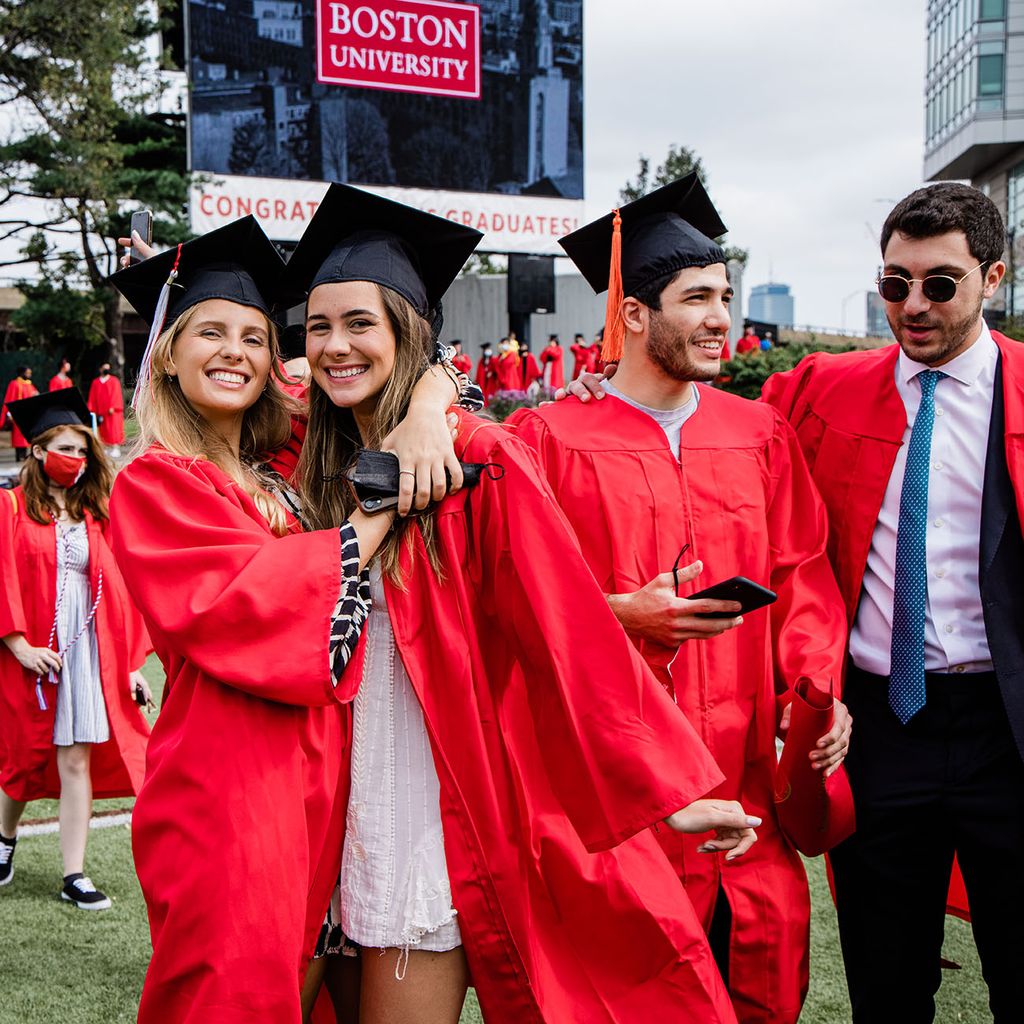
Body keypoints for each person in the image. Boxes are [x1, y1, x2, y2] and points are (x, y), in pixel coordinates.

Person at [283, 182, 762, 1024]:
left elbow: (562, 623)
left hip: (418, 802)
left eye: (362, 323)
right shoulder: (307, 464)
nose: (334, 345)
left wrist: (667, 789)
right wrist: (431, 398)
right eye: (318, 326)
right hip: (315, 806)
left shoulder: (481, 458)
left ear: (409, 333)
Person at [106, 215, 463, 1024]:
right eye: (210, 332)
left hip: (318, 790)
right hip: (228, 792)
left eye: (255, 336)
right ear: (166, 350)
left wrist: (429, 406)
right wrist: (381, 504)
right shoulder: (158, 482)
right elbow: (246, 604)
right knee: (229, 996)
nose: (234, 351)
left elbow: (401, 382)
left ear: (276, 361)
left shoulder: (283, 463)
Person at [519, 174, 851, 1024]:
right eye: (696, 296)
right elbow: (521, 597)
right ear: (632, 315)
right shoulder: (553, 439)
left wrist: (813, 691)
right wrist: (618, 613)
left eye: (727, 296)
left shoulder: (757, 433)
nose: (720, 316)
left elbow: (802, 575)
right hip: (622, 800)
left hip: (749, 800)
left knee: (764, 991)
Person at [762, 182, 1024, 1024]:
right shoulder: (817, 390)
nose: (911, 306)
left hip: (1008, 729)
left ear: (994, 277)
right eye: (893, 284)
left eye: (938, 284)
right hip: (879, 729)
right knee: (885, 982)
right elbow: (707, 438)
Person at [0, 388, 152, 907]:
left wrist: (130, 667)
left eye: (84, 451)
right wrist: (17, 645)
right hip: (32, 652)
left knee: (75, 761)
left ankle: (74, 874)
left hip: (87, 653)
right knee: (22, 762)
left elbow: (120, 589)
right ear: (39, 451)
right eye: (67, 449)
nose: (78, 460)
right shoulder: (12, 506)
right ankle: (4, 837)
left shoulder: (96, 514)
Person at [87, 363, 125, 458]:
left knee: (113, 429)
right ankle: (107, 448)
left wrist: (113, 406)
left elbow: (116, 394)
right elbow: (92, 397)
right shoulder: (96, 382)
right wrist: (91, 409)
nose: (106, 369)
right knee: (103, 430)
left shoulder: (114, 381)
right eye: (104, 367)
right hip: (100, 411)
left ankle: (115, 448)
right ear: (100, 369)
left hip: (112, 411)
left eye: (108, 368)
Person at [2, 367, 38, 461]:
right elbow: (10, 398)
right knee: (18, 436)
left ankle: (25, 455)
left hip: (27, 414)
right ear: (22, 373)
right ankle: (19, 455)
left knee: (26, 436)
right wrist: (9, 413)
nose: (29, 375)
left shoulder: (29, 385)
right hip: (17, 413)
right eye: (27, 373)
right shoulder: (14, 384)